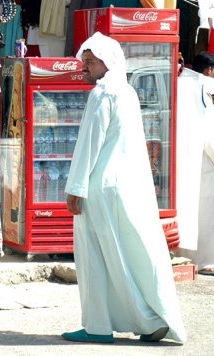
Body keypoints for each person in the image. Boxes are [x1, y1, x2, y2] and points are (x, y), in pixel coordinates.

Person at [62, 32, 185, 344]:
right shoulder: (126, 92)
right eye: (85, 61)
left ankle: (118, 324)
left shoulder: (103, 93)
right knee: (122, 257)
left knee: (98, 260)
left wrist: (75, 187)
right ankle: (131, 321)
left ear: (108, 62)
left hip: (100, 188)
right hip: (122, 187)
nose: (86, 66)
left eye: (91, 61)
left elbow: (90, 143)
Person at [177, 52, 214, 276]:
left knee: (190, 208)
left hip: (187, 159)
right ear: (209, 71)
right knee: (210, 211)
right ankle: (208, 260)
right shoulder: (200, 87)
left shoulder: (183, 84)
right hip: (205, 160)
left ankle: (189, 256)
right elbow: (207, 128)